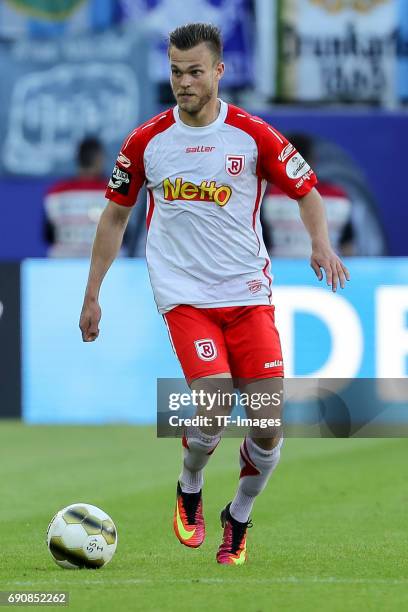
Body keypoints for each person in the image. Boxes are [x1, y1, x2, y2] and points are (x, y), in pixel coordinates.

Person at [79, 23, 349, 565]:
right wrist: (92, 294)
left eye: (195, 71)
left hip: (247, 290)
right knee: (214, 404)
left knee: (269, 426)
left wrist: (320, 244)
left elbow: (307, 190)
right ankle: (190, 485)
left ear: (219, 71)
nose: (184, 82)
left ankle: (239, 516)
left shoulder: (252, 134)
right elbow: (113, 220)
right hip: (184, 294)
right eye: (176, 72)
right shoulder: (146, 141)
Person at [261, 133, 355, 257]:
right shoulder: (338, 196)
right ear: (312, 159)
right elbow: (348, 248)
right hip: (327, 270)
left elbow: (261, 243)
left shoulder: (269, 196)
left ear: (282, 159)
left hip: (279, 271)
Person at [44, 137, 108, 258]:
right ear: (98, 159)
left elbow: (48, 235)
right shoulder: (113, 192)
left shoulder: (56, 192)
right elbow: (124, 234)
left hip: (62, 265)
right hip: (104, 268)